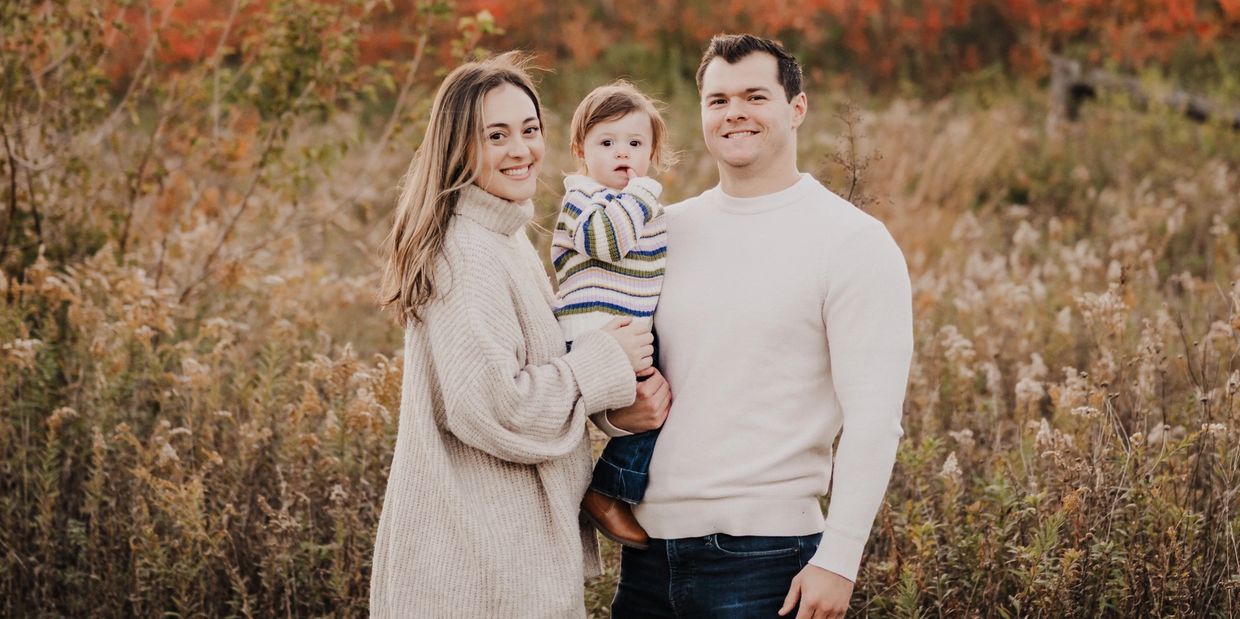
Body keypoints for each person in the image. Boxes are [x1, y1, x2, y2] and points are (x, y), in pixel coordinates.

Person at [609, 34, 914, 619]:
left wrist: (840, 558)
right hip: (648, 558)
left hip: (769, 561)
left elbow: (875, 420)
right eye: (718, 100)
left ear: (796, 109)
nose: (735, 114)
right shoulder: (661, 231)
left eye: (755, 96)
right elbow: (618, 366)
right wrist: (615, 414)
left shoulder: (851, 242)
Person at [369, 52, 654, 618]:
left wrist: (617, 404)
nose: (520, 150)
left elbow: (534, 371)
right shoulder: (466, 251)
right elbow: (495, 405)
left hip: (505, 556)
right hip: (476, 571)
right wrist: (604, 363)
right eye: (495, 135)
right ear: (458, 146)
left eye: (529, 129)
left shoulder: (502, 235)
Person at [550, 81, 675, 550]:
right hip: (597, 332)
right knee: (656, 401)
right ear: (581, 151)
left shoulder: (640, 206)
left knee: (659, 404)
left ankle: (630, 489)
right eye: (607, 143)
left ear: (652, 149)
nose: (623, 154)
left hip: (627, 331)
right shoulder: (584, 199)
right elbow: (607, 242)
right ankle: (607, 489)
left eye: (635, 144)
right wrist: (642, 195)